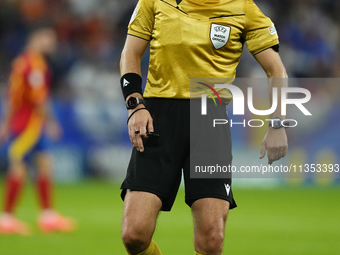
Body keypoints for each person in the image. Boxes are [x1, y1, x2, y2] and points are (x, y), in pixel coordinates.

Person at [119, 0, 288, 254]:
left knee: (212, 240)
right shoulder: (154, 1)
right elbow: (130, 53)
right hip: (158, 118)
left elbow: (276, 70)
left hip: (209, 119)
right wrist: (135, 106)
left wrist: (277, 125)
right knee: (134, 235)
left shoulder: (242, 7)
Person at [0, 26, 76, 235]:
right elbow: (39, 98)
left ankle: (48, 216)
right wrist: (51, 122)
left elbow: (12, 95)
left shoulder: (22, 61)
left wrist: (6, 124)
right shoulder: (34, 64)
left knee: (44, 164)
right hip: (28, 125)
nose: (51, 43)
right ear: (37, 38)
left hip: (24, 122)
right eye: (48, 38)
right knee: (19, 167)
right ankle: (6, 218)